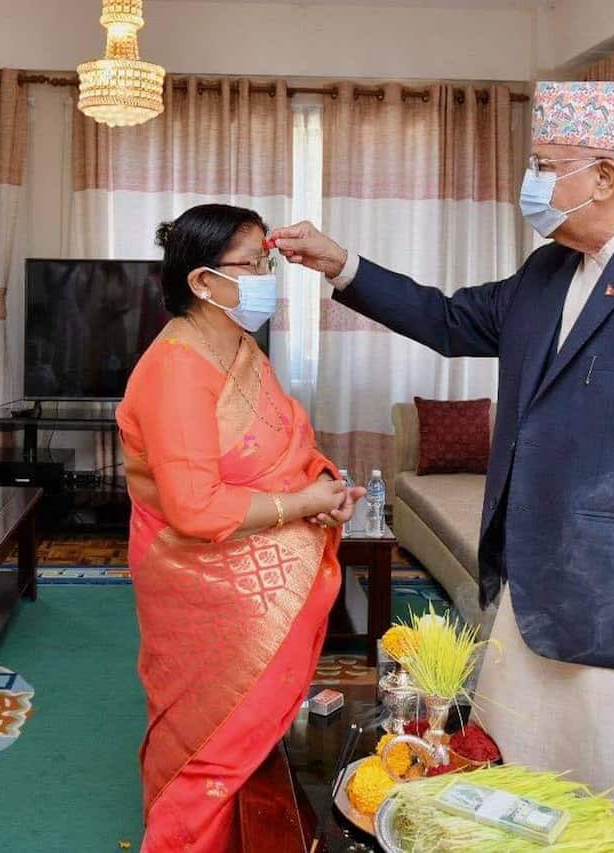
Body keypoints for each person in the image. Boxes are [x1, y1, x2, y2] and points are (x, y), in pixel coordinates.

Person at [270, 80, 614, 852]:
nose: (531, 183)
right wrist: (342, 264)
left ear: (604, 175)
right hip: (529, 604)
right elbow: (443, 317)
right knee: (508, 813)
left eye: (546, 164)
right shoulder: (544, 274)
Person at [115, 203, 366, 851]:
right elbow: (195, 508)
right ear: (201, 281)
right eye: (253, 264)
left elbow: (287, 441)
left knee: (241, 758)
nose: (267, 276)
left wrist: (324, 488)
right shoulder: (173, 369)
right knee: (206, 754)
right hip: (205, 592)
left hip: (258, 580)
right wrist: (301, 502)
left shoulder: (240, 349)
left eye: (267, 261)